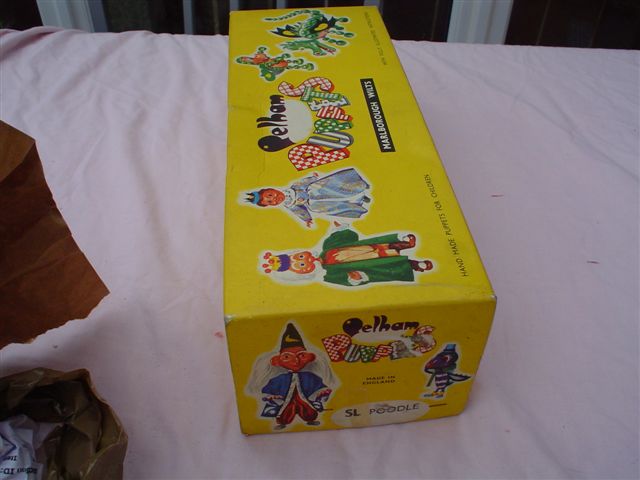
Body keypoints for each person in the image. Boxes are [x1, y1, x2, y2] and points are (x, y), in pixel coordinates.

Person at [261, 227, 434, 287]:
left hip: (364, 249)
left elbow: (337, 237)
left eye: (300, 256)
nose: (306, 260)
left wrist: (338, 229)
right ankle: (413, 264)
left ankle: (404, 244)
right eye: (301, 265)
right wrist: (354, 278)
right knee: (388, 264)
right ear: (303, 274)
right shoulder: (329, 275)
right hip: (365, 264)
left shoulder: (326, 248)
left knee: (382, 246)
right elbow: (344, 280)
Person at [246, 324, 334, 429]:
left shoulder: (309, 377)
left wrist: (321, 391)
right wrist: (271, 396)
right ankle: (282, 422)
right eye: (287, 357)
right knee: (285, 411)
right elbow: (269, 388)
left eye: (301, 355)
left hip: (304, 399)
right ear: (276, 361)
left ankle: (311, 419)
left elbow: (318, 385)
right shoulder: (279, 379)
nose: (296, 360)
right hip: (287, 401)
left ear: (310, 357)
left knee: (308, 409)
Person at [245, 167, 370, 227]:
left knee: (318, 187)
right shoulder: (290, 205)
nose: (275, 199)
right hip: (316, 203)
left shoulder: (293, 187)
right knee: (316, 207)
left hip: (318, 191)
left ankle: (358, 186)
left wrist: (313, 178)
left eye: (271, 195)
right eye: (271, 202)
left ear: (272, 189)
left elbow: (303, 182)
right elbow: (299, 211)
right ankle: (357, 202)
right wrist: (307, 219)